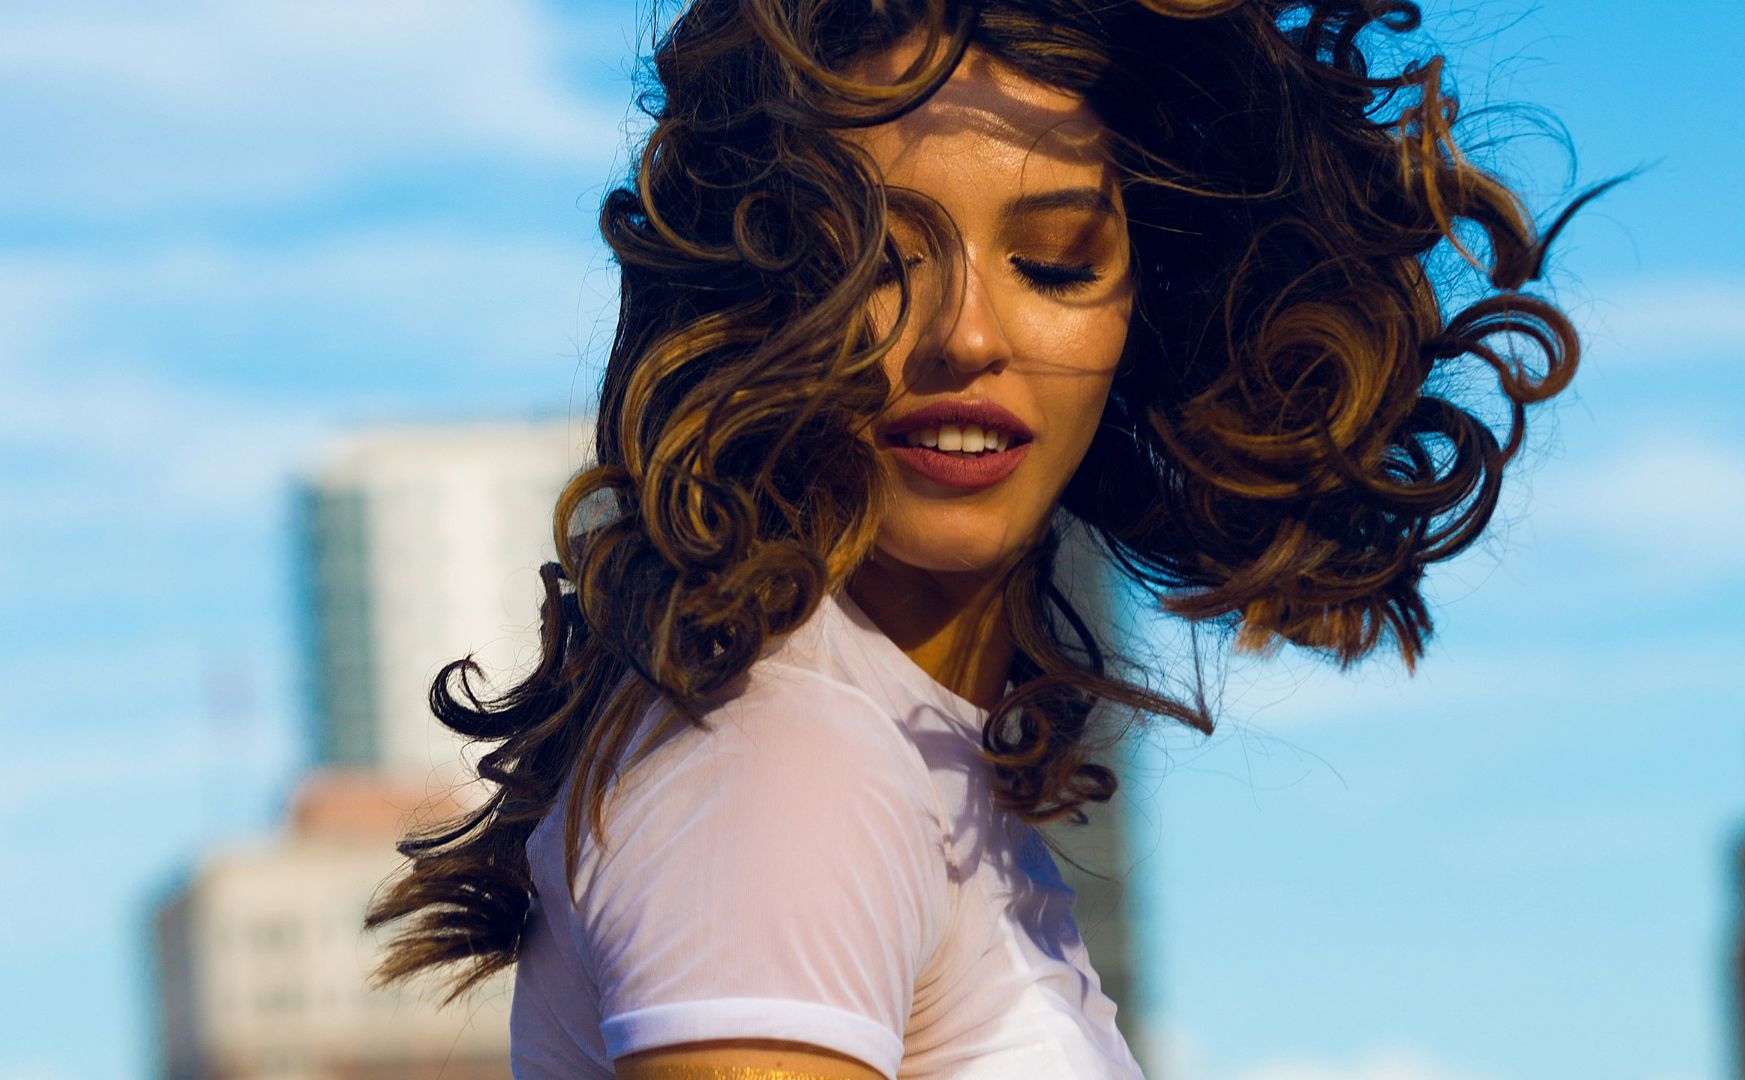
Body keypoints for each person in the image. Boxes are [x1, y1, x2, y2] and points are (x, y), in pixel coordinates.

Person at [365, 0, 1617, 1076]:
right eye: (883, 261)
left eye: (1056, 264)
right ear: (763, 298)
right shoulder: (786, 770)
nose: (965, 335)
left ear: (1150, 311)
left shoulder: (895, 755)